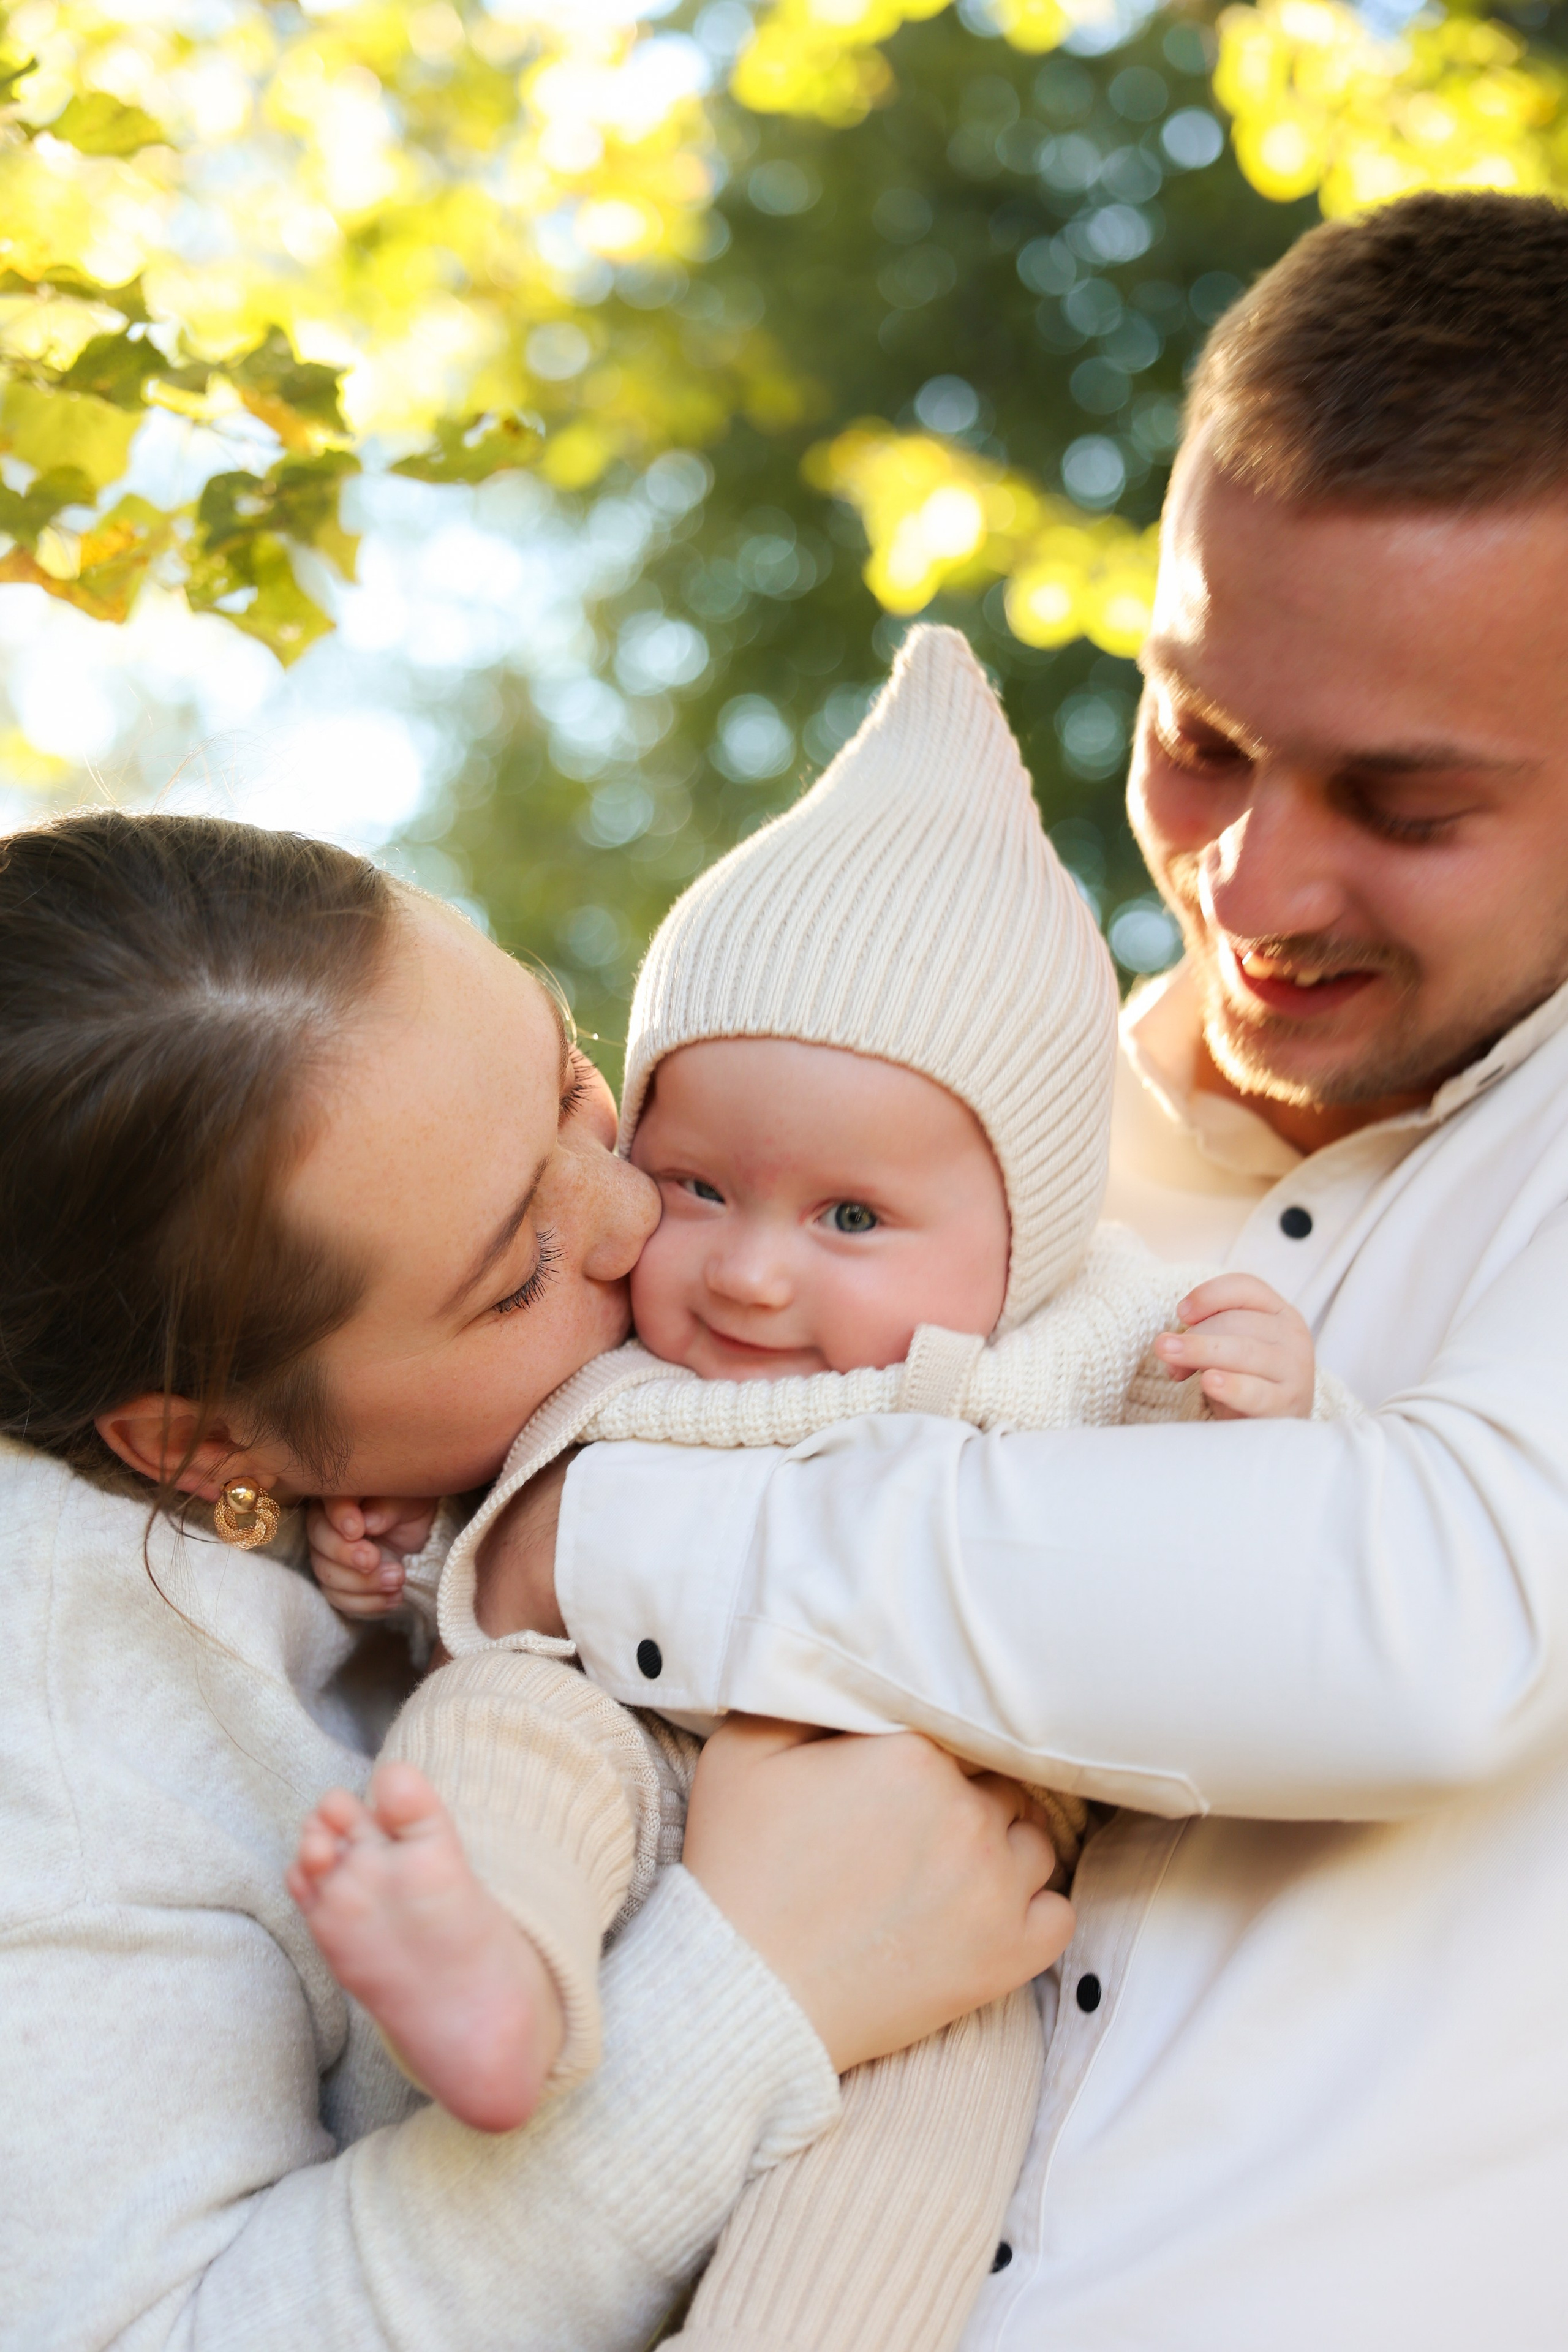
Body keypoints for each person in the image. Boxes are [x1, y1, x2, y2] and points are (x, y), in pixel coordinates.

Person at [466, 189, 1568, 2348]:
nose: (1252, 872)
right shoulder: (925, 1149)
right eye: (1200, 736)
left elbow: (1434, 1624)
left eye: (1407, 803)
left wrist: (612, 1529)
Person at [298, 622, 1336, 2352]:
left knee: (905, 2178)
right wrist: (391, 1561)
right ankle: (493, 1977)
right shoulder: (605, 1347)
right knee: (490, 1738)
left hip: (945, 1871)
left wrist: (1264, 1405)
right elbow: (491, 1512)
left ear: (1032, 1236)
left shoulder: (1088, 1338)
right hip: (621, 1742)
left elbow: (1246, 1558)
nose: (753, 1276)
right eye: (696, 1184)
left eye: (850, 1219)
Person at [0, 811, 1072, 2352]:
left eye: (575, 1081)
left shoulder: (484, 1430)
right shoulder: (58, 1747)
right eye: (518, 1270)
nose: (644, 1216)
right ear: (202, 1443)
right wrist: (752, 1985)